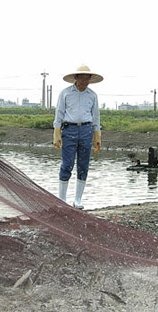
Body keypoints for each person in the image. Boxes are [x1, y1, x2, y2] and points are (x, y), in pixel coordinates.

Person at [53, 65, 103, 209]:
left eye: (87, 79)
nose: (84, 82)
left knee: (83, 165)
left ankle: (78, 200)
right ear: (76, 78)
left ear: (90, 79)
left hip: (86, 130)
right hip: (69, 130)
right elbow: (59, 113)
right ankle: (62, 200)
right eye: (82, 78)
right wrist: (57, 132)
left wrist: (97, 135)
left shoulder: (92, 95)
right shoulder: (66, 93)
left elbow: (96, 116)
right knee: (67, 164)